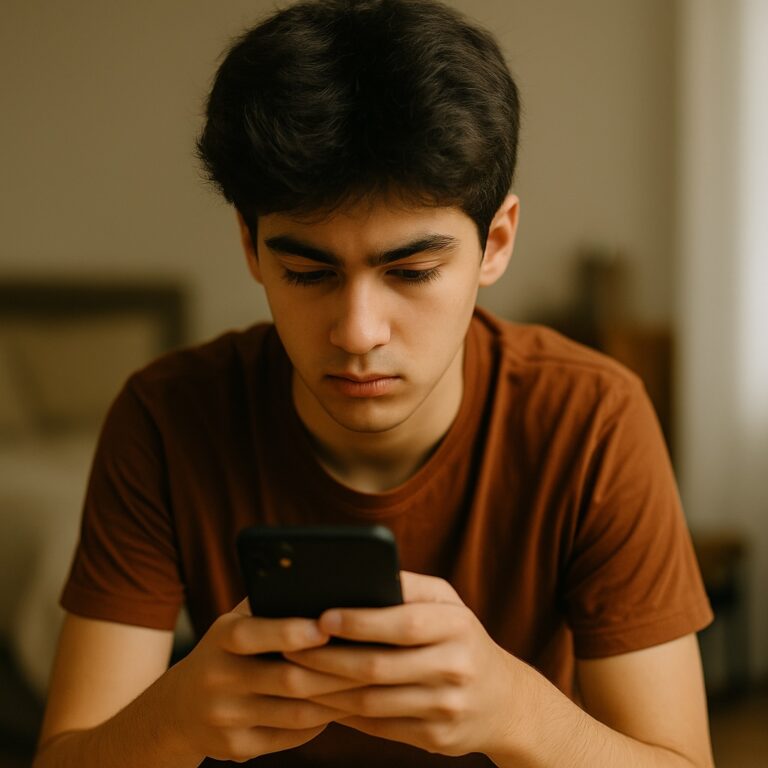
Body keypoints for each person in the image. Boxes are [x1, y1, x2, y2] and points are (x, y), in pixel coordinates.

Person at [33, 1, 715, 766]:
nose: (358, 333)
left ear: (495, 243)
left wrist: (516, 712)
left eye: (412, 271)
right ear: (250, 245)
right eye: (307, 272)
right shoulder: (165, 418)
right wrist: (178, 718)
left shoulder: (592, 419)